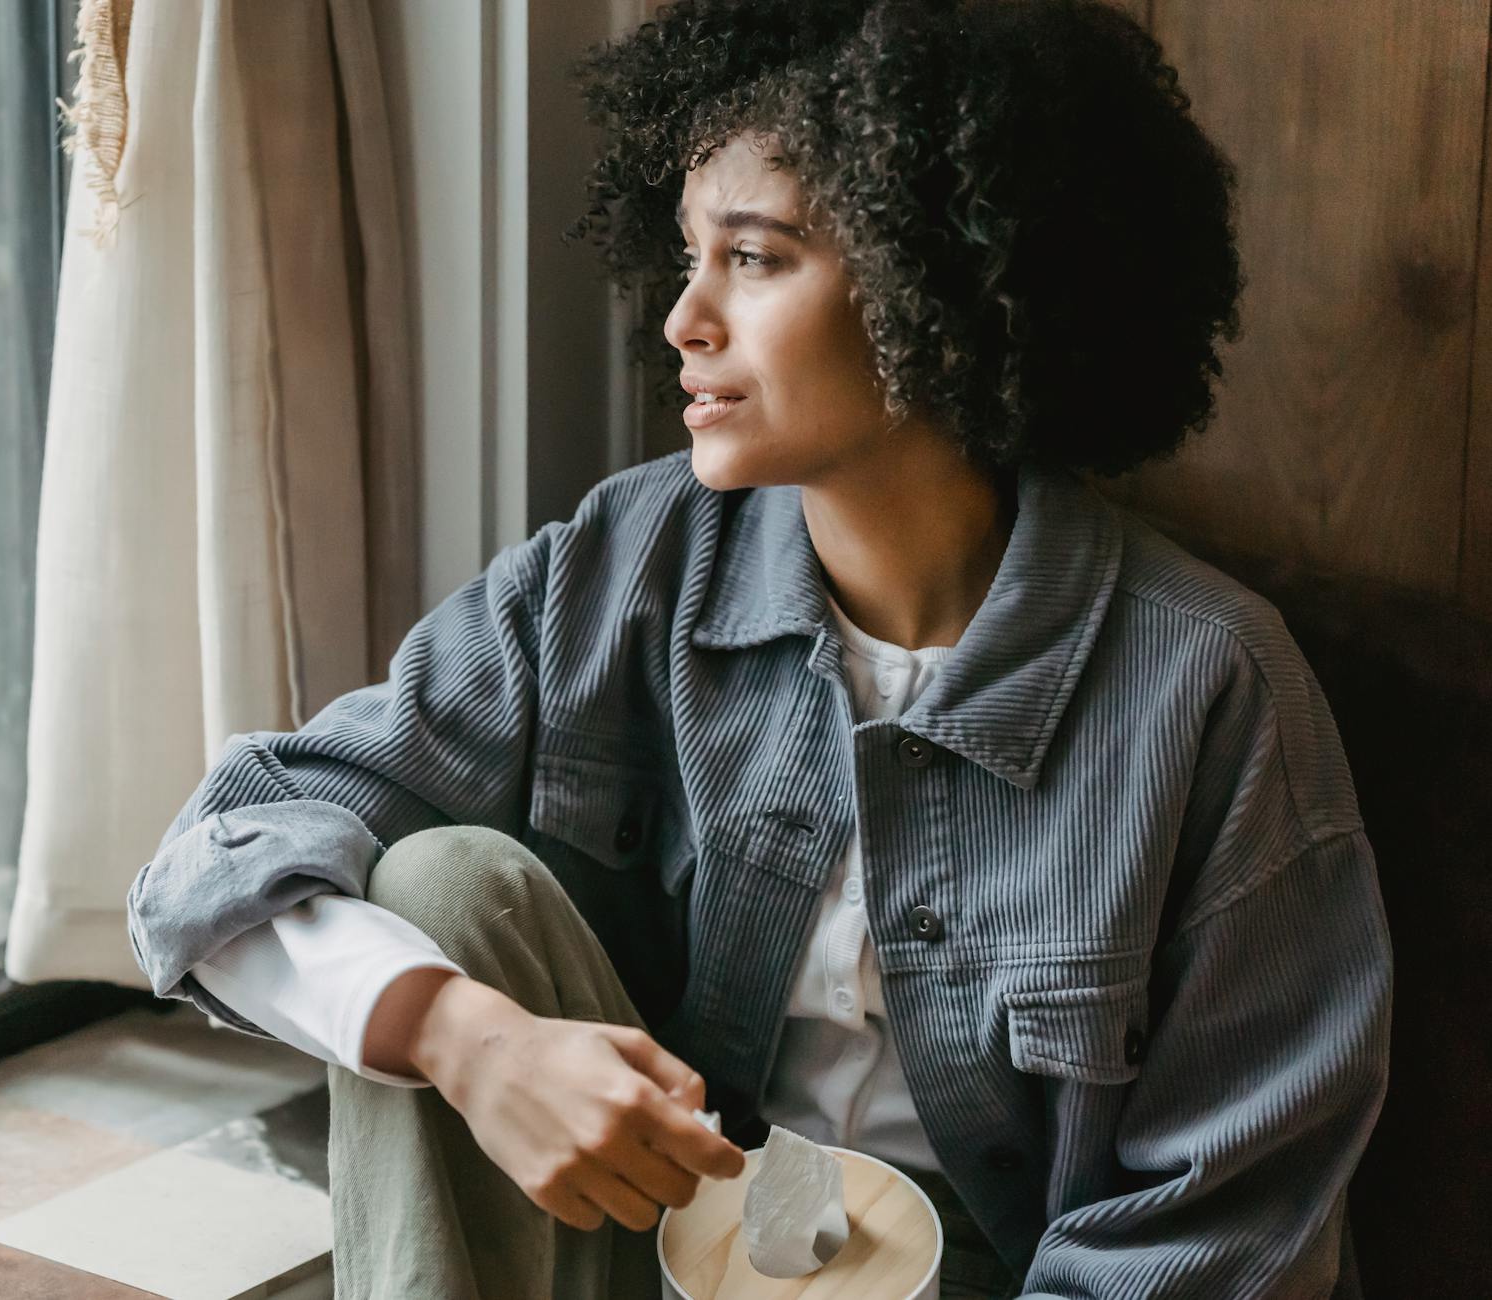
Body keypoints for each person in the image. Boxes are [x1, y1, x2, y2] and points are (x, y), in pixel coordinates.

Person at [125, 2, 1391, 1296]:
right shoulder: (627, 564)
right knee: (443, 890)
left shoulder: (1206, 685)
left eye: (755, 257)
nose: (681, 318)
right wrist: (462, 1038)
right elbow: (215, 856)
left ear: (939, 279)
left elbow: (1223, 1226)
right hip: (656, 1236)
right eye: (687, 255)